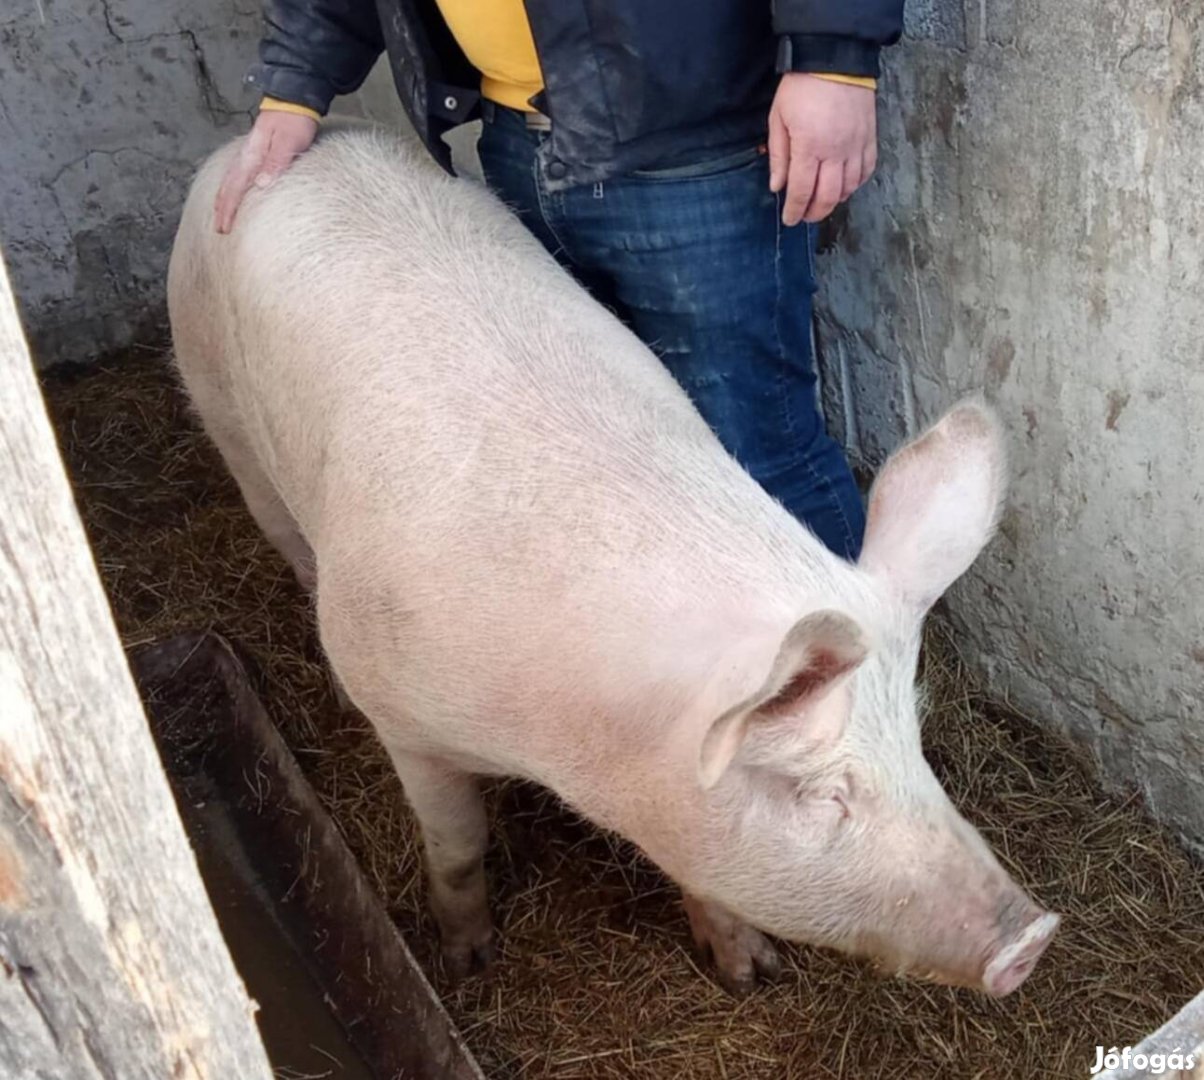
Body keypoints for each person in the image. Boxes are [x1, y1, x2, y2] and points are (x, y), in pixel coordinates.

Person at [214, 0, 905, 561]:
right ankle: (706, 690)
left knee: (757, 451)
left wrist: (834, 59)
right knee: (603, 451)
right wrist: (295, 87)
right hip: (516, 137)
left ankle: (854, 710)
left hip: (693, 141)